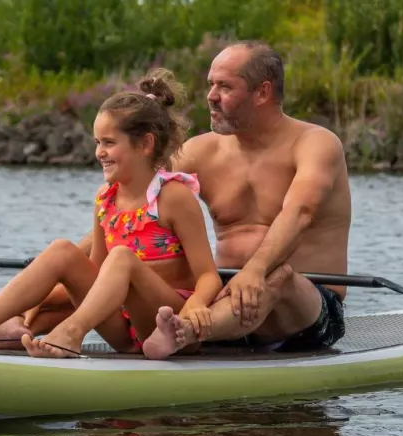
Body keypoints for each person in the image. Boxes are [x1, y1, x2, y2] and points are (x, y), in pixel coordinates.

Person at [0, 70, 221, 357]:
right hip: (123, 331)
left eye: (109, 143)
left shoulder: (174, 197)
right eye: (97, 143)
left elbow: (208, 275)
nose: (99, 152)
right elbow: (98, 278)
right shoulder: (106, 200)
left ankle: (70, 334)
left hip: (171, 327)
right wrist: (37, 301)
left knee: (122, 257)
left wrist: (196, 305)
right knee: (62, 250)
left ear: (145, 144)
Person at [149, 41, 352, 356]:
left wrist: (255, 269)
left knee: (278, 273)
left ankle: (184, 332)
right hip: (223, 300)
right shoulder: (201, 151)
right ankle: (50, 326)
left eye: (225, 87)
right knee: (133, 262)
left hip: (304, 314)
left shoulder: (316, 144)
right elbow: (132, 203)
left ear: (262, 92)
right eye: (210, 85)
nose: (211, 96)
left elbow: (300, 212)